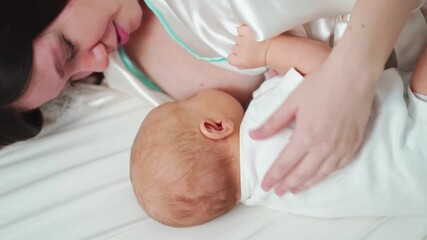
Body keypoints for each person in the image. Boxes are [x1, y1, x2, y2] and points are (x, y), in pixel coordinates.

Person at [1, 0, 425, 194]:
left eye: (68, 51)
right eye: (71, 80)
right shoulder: (120, 74)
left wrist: (350, 74)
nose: (93, 65)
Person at [130, 34, 427, 227]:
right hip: (417, 126)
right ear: (216, 127)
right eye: (192, 101)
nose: (196, 94)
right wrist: (268, 51)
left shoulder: (276, 196)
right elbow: (331, 72)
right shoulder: (261, 124)